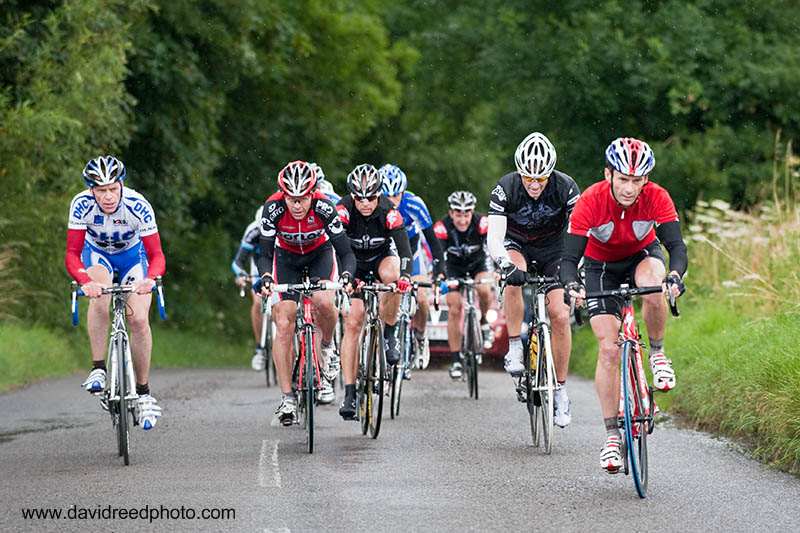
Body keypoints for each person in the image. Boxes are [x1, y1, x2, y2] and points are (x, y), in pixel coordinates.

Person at [561, 137, 687, 473]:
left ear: (645, 179)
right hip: (600, 268)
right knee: (609, 349)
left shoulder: (657, 196)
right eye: (623, 179)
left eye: (637, 180)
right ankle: (612, 436)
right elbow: (570, 257)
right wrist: (572, 284)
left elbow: (676, 246)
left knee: (653, 283)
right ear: (608, 174)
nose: (630, 188)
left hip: (641, 257)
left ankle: (657, 353)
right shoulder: (590, 201)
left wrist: (675, 275)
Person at [487, 132, 580, 428]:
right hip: (517, 245)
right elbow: (494, 237)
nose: (535, 185)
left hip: (554, 251)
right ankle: (515, 344)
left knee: (560, 315)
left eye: (541, 178)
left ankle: (561, 390)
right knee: (513, 276)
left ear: (550, 173)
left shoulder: (566, 188)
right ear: (520, 172)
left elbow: (577, 234)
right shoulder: (506, 187)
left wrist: (573, 269)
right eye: (529, 178)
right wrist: (504, 264)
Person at [65, 155, 166, 430]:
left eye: (113, 189)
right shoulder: (80, 205)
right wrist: (84, 280)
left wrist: (150, 279)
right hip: (98, 256)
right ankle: (99, 367)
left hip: (134, 257)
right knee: (99, 294)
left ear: (121, 185)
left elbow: (157, 255)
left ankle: (143, 392)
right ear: (91, 191)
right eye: (101, 191)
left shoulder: (138, 205)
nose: (108, 196)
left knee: (139, 320)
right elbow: (73, 254)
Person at [256, 161, 356, 425]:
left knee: (324, 301)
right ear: (283, 195)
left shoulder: (325, 207)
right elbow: (264, 252)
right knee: (284, 321)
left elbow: (344, 251)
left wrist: (346, 276)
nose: (297, 205)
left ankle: (327, 346)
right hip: (286, 257)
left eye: (302, 199)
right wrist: (266, 277)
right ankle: (287, 397)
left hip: (319, 255)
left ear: (313, 194)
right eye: (292, 199)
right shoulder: (273, 208)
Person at [335, 164, 413, 419]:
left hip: (381, 260)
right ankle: (348, 393)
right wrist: (346, 278)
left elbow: (404, 252)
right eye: (360, 198)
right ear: (352, 196)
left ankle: (389, 333)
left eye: (371, 197)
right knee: (354, 321)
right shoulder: (343, 210)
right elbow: (334, 249)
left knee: (393, 278)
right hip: (351, 264)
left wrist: (406, 277)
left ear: (379, 194)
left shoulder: (389, 212)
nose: (366, 203)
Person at [380, 164, 445, 368]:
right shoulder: (373, 205)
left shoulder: (414, 204)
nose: (392, 201)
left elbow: (432, 241)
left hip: (411, 251)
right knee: (384, 297)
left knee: (423, 299)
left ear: (403, 192)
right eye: (386, 195)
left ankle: (420, 336)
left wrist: (439, 268)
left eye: (397, 195)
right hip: (386, 253)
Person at [433, 191, 495, 379]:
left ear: (472, 212)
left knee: (484, 288)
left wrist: (498, 271)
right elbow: (438, 257)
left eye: (466, 214)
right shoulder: (441, 227)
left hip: (478, 264)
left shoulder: (482, 223)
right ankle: (456, 360)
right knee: (454, 307)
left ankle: (484, 321)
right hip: (453, 267)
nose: (462, 219)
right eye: (458, 214)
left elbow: (493, 248)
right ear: (451, 213)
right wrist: (440, 277)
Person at [232, 205, 274, 372]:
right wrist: (241, 275)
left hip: (278, 263)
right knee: (258, 303)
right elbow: (237, 261)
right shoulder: (252, 232)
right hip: (258, 266)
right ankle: (259, 348)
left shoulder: (281, 227)